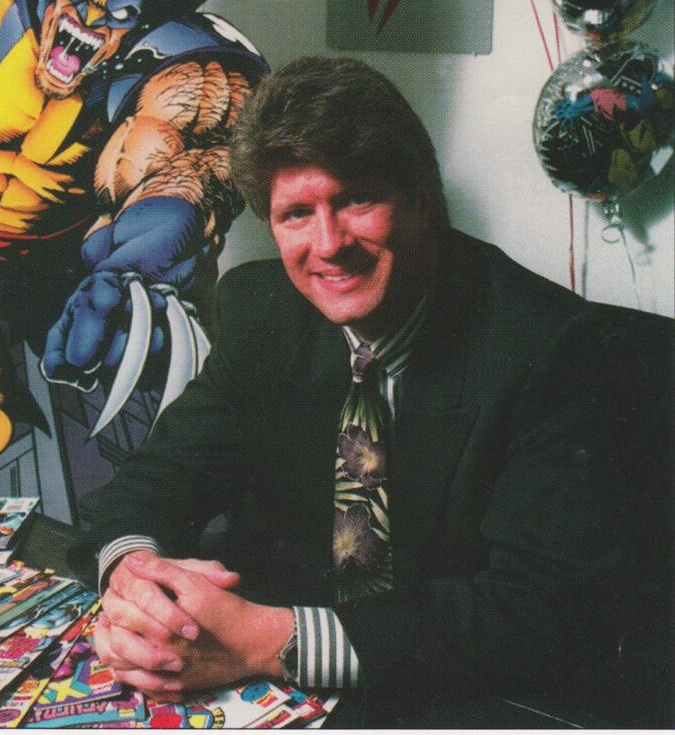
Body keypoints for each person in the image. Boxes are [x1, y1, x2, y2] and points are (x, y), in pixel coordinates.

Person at [68, 56, 671, 727]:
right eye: (296, 214)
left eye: (356, 200)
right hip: (270, 690)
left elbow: (533, 612)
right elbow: (155, 482)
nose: (328, 245)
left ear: (420, 197)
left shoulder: (552, 348)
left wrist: (267, 640)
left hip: (456, 695)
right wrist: (139, 583)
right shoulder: (261, 311)